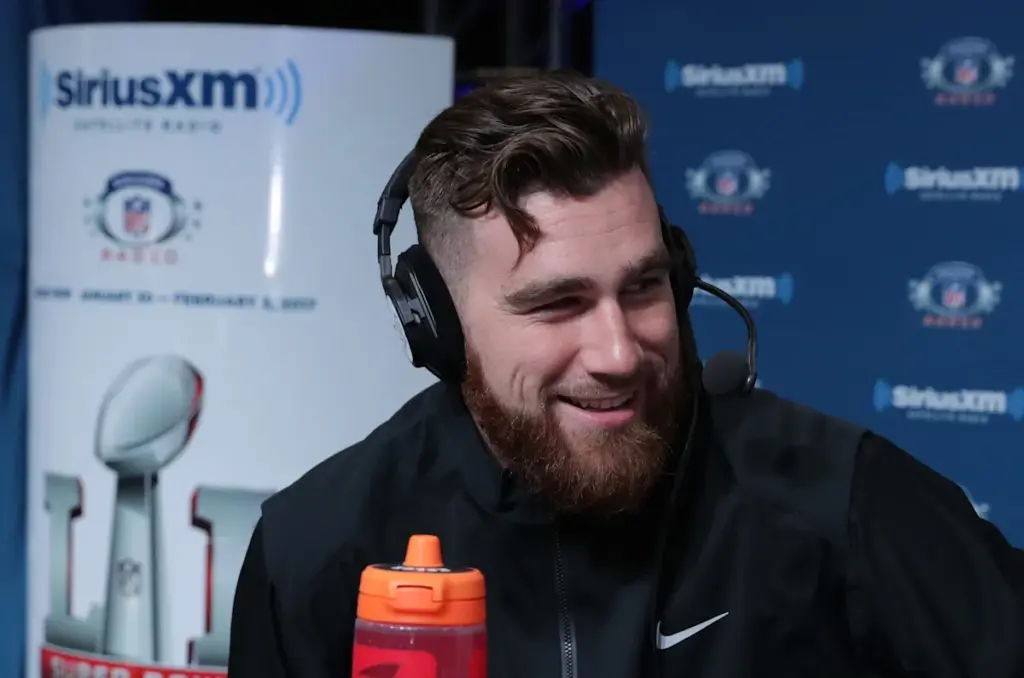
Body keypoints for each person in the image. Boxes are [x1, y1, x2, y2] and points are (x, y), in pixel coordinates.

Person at [227, 71, 1024, 677]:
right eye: (558, 303)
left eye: (644, 286)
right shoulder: (318, 550)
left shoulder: (840, 500)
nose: (618, 353)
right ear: (436, 322)